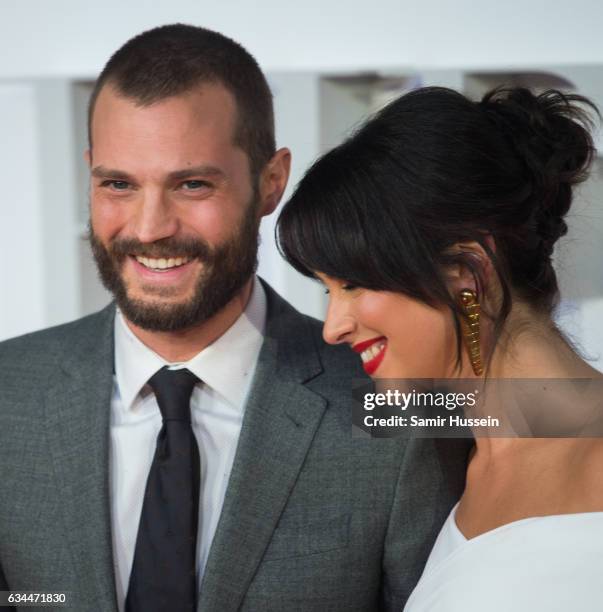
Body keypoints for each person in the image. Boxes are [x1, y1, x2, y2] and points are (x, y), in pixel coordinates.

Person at [0, 25, 469, 612]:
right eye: (118, 184)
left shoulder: (395, 407)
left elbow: (564, 411)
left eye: (192, 184)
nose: (149, 228)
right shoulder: (8, 393)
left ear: (270, 182)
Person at [277, 85, 603, 611]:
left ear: (463, 271)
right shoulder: (457, 455)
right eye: (328, 290)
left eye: (354, 284)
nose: (332, 327)